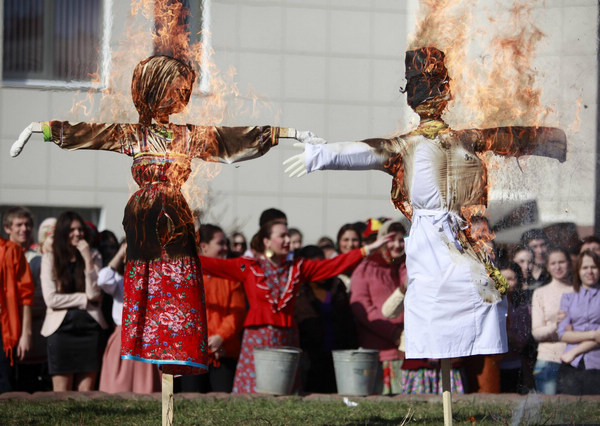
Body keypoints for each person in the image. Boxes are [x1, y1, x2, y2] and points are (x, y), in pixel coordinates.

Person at [10, 55, 310, 375]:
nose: (180, 98)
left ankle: (180, 347)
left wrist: (287, 133)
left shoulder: (189, 135)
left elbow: (233, 137)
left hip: (176, 217)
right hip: (143, 219)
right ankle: (147, 342)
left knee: (180, 281)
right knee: (147, 285)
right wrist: (36, 129)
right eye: (174, 90)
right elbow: (87, 132)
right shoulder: (132, 134)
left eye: (183, 91)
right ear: (156, 89)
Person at [285, 46, 566, 363]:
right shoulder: (438, 141)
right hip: (442, 242)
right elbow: (363, 152)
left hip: (451, 240)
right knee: (437, 302)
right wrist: (318, 156)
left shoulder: (430, 142)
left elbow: (512, 137)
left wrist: (319, 155)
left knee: (464, 298)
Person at [199, 218, 391, 393]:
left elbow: (333, 265)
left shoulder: (298, 267)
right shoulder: (249, 266)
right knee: (253, 392)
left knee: (285, 393)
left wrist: (367, 249)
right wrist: (178, 253)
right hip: (257, 339)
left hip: (287, 338)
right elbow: (213, 265)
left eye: (288, 236)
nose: (287, 241)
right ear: (266, 241)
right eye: (282, 236)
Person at [40, 211, 108, 391]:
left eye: (80, 229)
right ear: (63, 232)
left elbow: (94, 294)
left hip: (90, 329)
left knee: (86, 395)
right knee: (61, 395)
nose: (78, 233)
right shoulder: (50, 258)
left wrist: (87, 259)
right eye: (72, 230)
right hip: (61, 330)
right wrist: (82, 299)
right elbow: (51, 299)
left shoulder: (94, 256)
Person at [178, 224, 246, 393]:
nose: (225, 248)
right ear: (204, 247)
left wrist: (220, 337)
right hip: (192, 353)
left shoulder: (231, 275)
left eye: (226, 243)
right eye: (220, 243)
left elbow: (237, 312)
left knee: (222, 406)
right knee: (190, 405)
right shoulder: (186, 273)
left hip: (222, 351)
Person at [350, 221, 407, 395]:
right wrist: (393, 333)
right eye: (391, 239)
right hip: (380, 354)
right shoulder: (365, 269)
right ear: (382, 240)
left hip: (406, 352)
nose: (397, 245)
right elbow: (363, 309)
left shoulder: (404, 266)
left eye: (401, 239)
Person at [98, 241, 161, 393]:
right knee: (117, 388)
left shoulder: (155, 280)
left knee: (146, 389)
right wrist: (120, 254)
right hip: (122, 338)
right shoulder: (120, 281)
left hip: (147, 339)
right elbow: (103, 280)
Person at [293, 245, 357, 393]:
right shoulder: (299, 289)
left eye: (322, 264)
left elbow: (347, 320)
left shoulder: (336, 285)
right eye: (315, 266)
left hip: (337, 353)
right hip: (311, 355)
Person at [3, 207, 49, 392]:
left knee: (28, 378)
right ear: (7, 228)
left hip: (32, 326)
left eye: (28, 225)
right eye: (19, 225)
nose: (24, 229)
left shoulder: (39, 258)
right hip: (6, 325)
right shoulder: (3, 253)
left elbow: (37, 296)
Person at [556, 250, 600, 395]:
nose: (590, 271)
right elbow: (563, 334)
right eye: (585, 268)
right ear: (578, 271)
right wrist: (594, 333)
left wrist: (575, 350)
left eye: (593, 267)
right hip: (571, 365)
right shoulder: (568, 297)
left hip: (595, 363)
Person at [531, 247, 573, 395]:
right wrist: (557, 325)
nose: (558, 266)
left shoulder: (580, 291)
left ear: (569, 264)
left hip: (576, 359)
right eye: (553, 263)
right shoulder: (540, 293)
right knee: (549, 411)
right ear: (548, 267)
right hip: (548, 359)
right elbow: (536, 333)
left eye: (562, 262)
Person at [0, 235, 34, 393]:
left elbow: (25, 295)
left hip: (4, 329)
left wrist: (26, 333)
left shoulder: (11, 250)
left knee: (5, 384)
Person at [498, 261, 532, 394]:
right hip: (494, 365)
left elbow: (521, 342)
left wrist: (507, 334)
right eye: (503, 279)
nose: (507, 283)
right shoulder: (491, 304)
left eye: (512, 279)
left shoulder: (523, 307)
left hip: (514, 365)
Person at [335, 223, 362, 292]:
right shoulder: (333, 266)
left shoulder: (366, 267)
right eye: (346, 240)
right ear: (339, 242)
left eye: (354, 240)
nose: (350, 244)